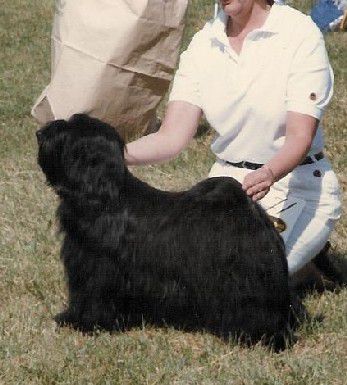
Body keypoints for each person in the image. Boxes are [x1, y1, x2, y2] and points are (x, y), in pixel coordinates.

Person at [124, 0, 341, 276]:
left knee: (243, 280)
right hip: (227, 189)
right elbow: (171, 136)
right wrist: (113, 154)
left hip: (296, 185)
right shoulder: (204, 43)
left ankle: (308, 265)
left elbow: (300, 136)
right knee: (180, 271)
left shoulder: (300, 34)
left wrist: (270, 172)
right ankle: (304, 264)